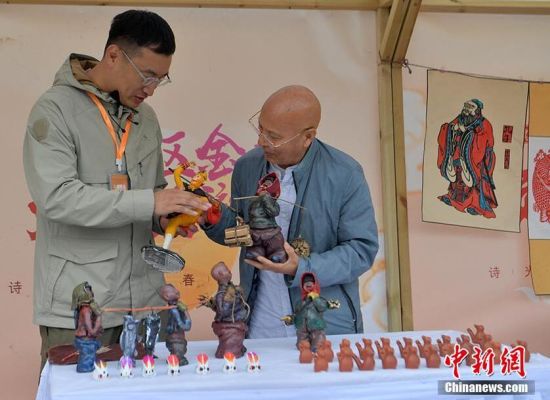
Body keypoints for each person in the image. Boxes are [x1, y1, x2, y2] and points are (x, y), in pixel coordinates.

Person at [23, 10, 211, 369]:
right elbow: (57, 198)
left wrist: (167, 216)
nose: (151, 89)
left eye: (160, 80)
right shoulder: (56, 110)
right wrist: (150, 202)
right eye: (147, 75)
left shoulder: (145, 118)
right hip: (81, 308)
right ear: (113, 55)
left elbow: (150, 196)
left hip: (145, 305)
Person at [203, 85, 379, 338]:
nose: (261, 141)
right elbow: (241, 231)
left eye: (273, 137)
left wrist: (302, 267)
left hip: (323, 322)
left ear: (308, 137)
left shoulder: (345, 173)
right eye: (260, 129)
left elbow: (361, 250)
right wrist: (212, 216)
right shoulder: (246, 166)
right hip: (260, 320)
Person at [436, 99, 497, 218]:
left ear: (477, 110)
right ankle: (453, 198)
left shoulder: (484, 123)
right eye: (466, 106)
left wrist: (468, 132)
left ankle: (476, 205)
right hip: (459, 155)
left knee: (476, 182)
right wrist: (452, 129)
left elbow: (483, 141)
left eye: (470, 107)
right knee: (457, 178)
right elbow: (449, 127)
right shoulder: (461, 118)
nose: (467, 109)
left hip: (479, 158)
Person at [72, 282, 103, 373]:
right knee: (87, 361)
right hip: (85, 341)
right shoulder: (86, 311)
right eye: (88, 291)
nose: (91, 293)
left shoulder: (87, 309)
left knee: (91, 358)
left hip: (87, 340)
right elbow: (92, 331)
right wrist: (99, 317)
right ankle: (86, 372)